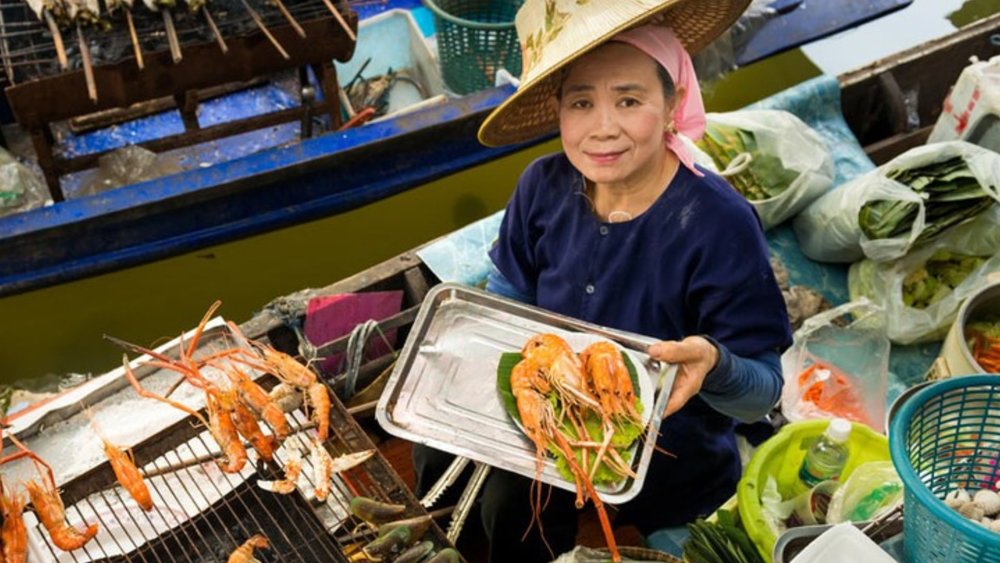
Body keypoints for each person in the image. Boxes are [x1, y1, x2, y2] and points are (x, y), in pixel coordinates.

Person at [414, 0, 792, 560]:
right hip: (552, 419)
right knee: (449, 463)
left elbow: (762, 390)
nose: (603, 128)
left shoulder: (719, 223)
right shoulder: (542, 185)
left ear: (673, 103)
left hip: (671, 460)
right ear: (560, 111)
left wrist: (714, 362)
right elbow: (509, 300)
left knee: (527, 501)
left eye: (630, 99)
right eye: (582, 102)